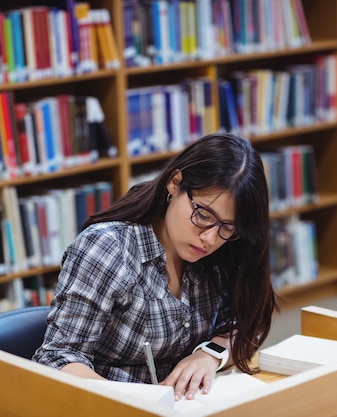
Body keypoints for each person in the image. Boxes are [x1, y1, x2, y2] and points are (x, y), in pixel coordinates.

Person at [33, 132, 276, 401]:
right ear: (175, 183)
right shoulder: (108, 248)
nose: (209, 238)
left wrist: (209, 355)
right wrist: (131, 403)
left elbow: (250, 319)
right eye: (203, 215)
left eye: (228, 227)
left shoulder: (226, 249)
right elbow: (57, 358)